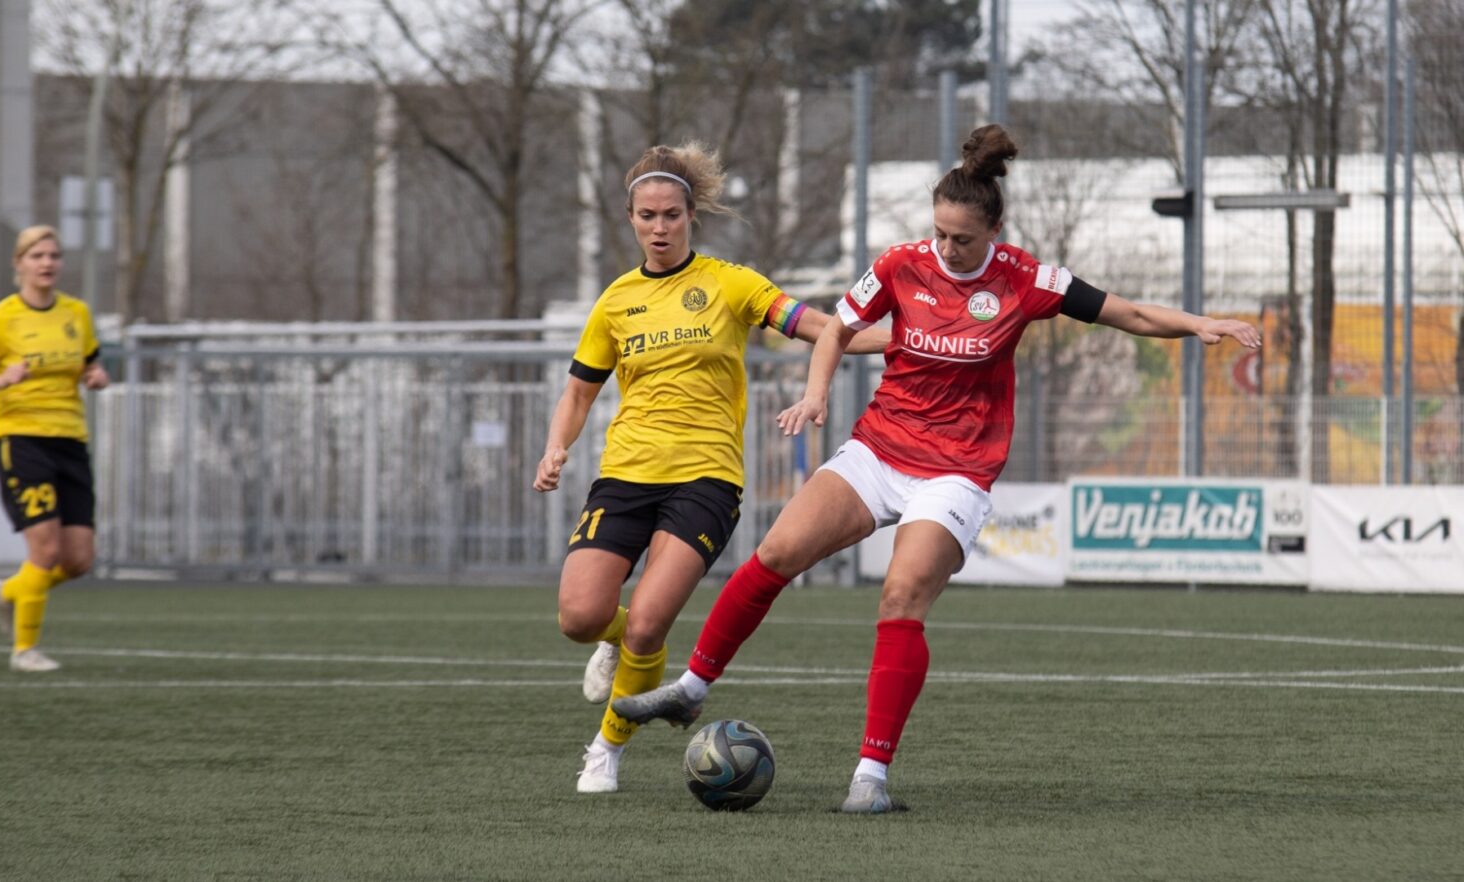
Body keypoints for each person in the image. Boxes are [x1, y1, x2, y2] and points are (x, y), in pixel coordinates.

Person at [612, 124, 1263, 812]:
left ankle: (869, 780)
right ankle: (691, 690)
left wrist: (1197, 324)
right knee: (776, 552)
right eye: (940, 234)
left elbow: (1124, 313)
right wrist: (816, 393)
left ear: (994, 232)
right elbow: (837, 328)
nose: (947, 249)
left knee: (900, 596)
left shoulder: (1026, 278)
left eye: (963, 239)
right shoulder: (900, 264)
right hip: (879, 447)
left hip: (956, 471)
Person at [536, 141, 889, 794]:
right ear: (630, 218)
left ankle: (606, 749)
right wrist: (556, 446)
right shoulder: (615, 301)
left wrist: (907, 340)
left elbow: (818, 326)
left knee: (650, 624)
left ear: (691, 215)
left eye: (671, 215)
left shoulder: (732, 283)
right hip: (625, 474)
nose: (659, 228)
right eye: (647, 216)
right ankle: (613, 640)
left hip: (705, 479)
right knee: (580, 618)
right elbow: (579, 393)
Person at [0, 225, 109, 673]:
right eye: (37, 256)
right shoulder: (0, 319)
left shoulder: (77, 313)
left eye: (53, 255)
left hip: (70, 440)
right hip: (22, 439)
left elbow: (90, 362)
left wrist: (96, 376)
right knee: (46, 549)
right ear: (18, 263)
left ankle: (10, 592)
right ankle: (25, 650)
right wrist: (0, 379)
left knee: (78, 560)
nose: (47, 263)